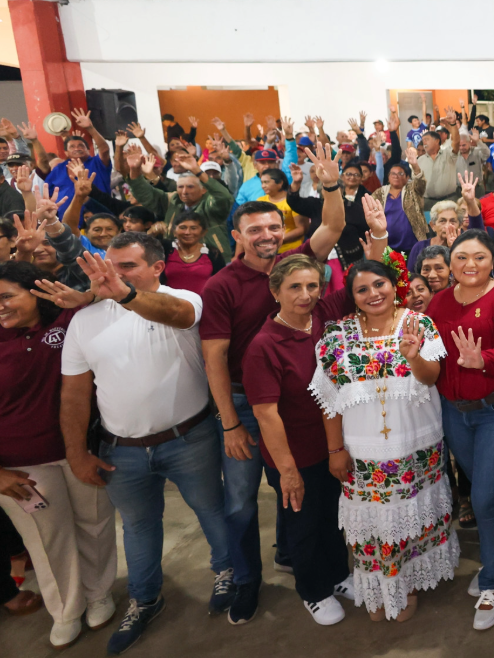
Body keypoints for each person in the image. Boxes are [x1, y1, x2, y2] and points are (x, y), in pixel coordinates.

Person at [199, 147, 382, 625]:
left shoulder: (314, 303)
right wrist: (231, 424)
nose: (304, 293)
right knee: (275, 505)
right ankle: (293, 584)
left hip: (326, 431)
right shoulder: (251, 325)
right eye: (254, 230)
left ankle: (330, 572)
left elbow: (354, 266)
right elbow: (229, 373)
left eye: (310, 286)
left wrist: (331, 188)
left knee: (322, 511)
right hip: (264, 413)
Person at [51, 239, 231, 653]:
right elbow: (75, 395)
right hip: (122, 449)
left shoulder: (182, 298)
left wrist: (127, 294)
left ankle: (227, 573)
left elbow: (179, 316)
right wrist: (77, 452)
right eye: (109, 266)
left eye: (127, 265)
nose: (113, 273)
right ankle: (145, 598)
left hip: (188, 438)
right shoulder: (86, 320)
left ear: (156, 268)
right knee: (137, 526)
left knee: (212, 509)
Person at [0, 262, 118, 649]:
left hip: (82, 452)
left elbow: (110, 299)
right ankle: (66, 611)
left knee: (95, 525)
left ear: (35, 293)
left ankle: (99, 593)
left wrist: (85, 296)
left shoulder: (68, 323)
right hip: (20, 467)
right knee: (48, 540)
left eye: (6, 296)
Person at [425, 229, 494, 630]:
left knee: (485, 498)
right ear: (450, 264)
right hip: (457, 412)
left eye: (481, 257)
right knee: (488, 495)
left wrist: (480, 360)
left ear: (493, 262)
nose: (471, 264)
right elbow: (432, 357)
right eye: (462, 257)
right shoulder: (438, 301)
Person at [242, 255, 354, 625]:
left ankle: (338, 576)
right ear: (275, 292)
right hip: (293, 454)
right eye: (294, 287)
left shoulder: (320, 317)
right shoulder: (264, 345)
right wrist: (288, 470)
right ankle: (314, 591)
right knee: (303, 525)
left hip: (331, 445)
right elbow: (266, 414)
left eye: (312, 286)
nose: (305, 295)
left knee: (331, 517)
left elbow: (370, 277)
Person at [128, 152, 236, 260]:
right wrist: (134, 171)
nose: (184, 191)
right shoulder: (172, 201)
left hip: (213, 261)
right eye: (180, 187)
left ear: (203, 189)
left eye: (190, 187)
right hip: (177, 260)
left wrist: (196, 170)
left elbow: (224, 197)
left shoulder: (212, 204)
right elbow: (145, 194)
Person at [371, 149, 428, 256]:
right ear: (388, 177)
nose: (396, 176)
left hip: (413, 244)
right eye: (392, 173)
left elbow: (420, 183)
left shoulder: (413, 190)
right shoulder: (379, 193)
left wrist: (415, 165)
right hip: (387, 246)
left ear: (407, 178)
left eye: (400, 173)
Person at [161, 212, 226, 295]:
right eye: (183, 227)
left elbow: (221, 283)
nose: (187, 232)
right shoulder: (165, 249)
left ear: (203, 232)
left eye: (193, 228)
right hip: (168, 305)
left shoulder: (213, 253)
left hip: (203, 305)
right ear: (174, 231)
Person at [258, 168, 307, 252]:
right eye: (262, 182)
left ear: (280, 183)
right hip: (267, 250)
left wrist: (277, 239)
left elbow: (301, 229)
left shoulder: (292, 202)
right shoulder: (260, 201)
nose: (263, 186)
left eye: (266, 182)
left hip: (291, 250)